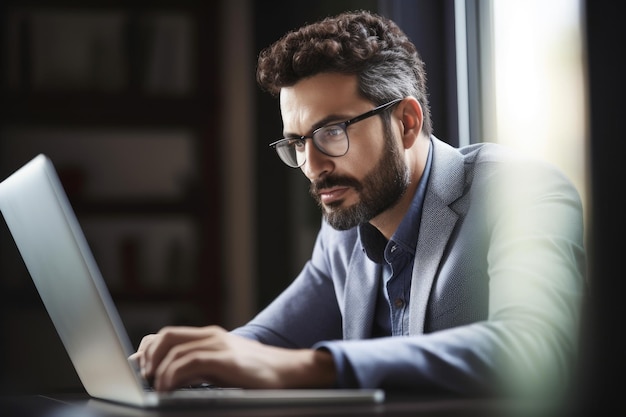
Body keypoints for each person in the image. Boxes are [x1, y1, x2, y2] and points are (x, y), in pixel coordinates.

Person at [131, 10, 586, 401]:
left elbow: (533, 349)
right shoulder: (343, 229)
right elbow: (268, 340)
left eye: (332, 132)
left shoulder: (522, 192)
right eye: (297, 143)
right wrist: (183, 362)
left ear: (407, 122)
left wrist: (315, 368)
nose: (312, 166)